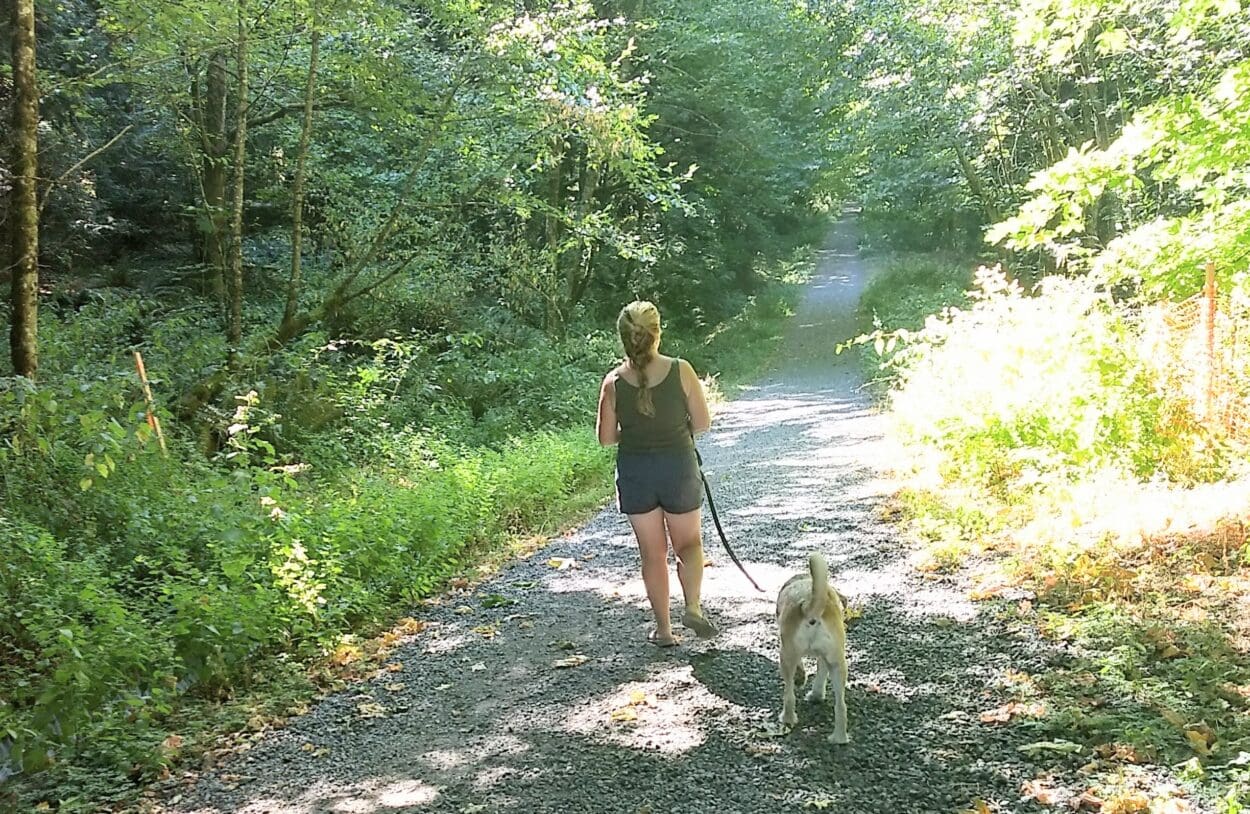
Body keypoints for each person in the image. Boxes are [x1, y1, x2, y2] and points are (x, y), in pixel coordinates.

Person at [596, 300, 718, 646]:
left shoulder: (613, 382)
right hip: (678, 467)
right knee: (689, 544)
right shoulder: (681, 370)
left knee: (652, 554)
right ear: (657, 333)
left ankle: (664, 630)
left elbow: (605, 438)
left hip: (636, 474)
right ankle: (692, 606)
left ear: (624, 338)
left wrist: (636, 432)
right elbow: (702, 423)